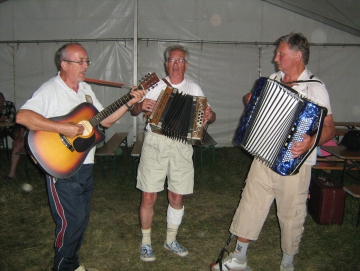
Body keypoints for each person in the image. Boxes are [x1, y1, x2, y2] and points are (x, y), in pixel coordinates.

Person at [16, 43, 146, 271]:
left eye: (87, 61)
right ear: (64, 64)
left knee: (82, 219)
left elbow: (104, 120)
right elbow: (23, 117)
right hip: (61, 166)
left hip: (84, 164)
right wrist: (62, 128)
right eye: (80, 61)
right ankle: (63, 267)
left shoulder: (85, 89)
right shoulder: (50, 89)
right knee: (71, 221)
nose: (86, 66)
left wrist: (129, 102)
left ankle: (72, 264)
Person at [212, 33, 335, 271]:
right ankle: (239, 258)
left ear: (298, 55)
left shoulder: (316, 89)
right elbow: (256, 107)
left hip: (294, 163)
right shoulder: (274, 79)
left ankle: (287, 265)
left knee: (291, 215)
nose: (276, 58)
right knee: (250, 204)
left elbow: (329, 128)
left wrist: (311, 141)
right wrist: (251, 99)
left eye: (281, 54)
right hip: (263, 156)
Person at [131, 44, 216, 262]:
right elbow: (133, 108)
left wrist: (209, 115)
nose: (175, 64)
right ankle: (146, 242)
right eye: (172, 60)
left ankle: (171, 239)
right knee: (148, 194)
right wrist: (141, 106)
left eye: (180, 61)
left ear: (186, 65)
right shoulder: (154, 85)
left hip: (181, 146)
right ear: (166, 63)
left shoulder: (194, 88)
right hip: (155, 143)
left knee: (177, 195)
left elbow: (210, 115)